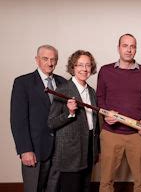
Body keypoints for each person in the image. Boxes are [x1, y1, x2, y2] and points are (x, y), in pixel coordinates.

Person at [96, 33, 141, 192]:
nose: (129, 50)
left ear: (136, 49)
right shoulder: (105, 71)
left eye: (132, 46)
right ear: (118, 48)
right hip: (111, 134)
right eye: (125, 45)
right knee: (106, 181)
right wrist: (106, 114)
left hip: (137, 135)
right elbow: (100, 98)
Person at [10, 45, 66, 192]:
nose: (50, 63)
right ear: (37, 60)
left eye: (53, 59)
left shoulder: (64, 83)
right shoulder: (23, 83)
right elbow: (18, 120)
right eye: (45, 59)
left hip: (59, 151)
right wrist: (25, 149)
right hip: (35, 150)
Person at [48, 50, 100, 192]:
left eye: (88, 65)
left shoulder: (92, 92)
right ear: (73, 67)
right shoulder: (63, 89)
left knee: (85, 188)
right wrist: (69, 113)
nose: (84, 69)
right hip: (70, 154)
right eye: (80, 65)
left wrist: (97, 150)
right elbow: (51, 123)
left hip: (89, 149)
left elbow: (95, 125)